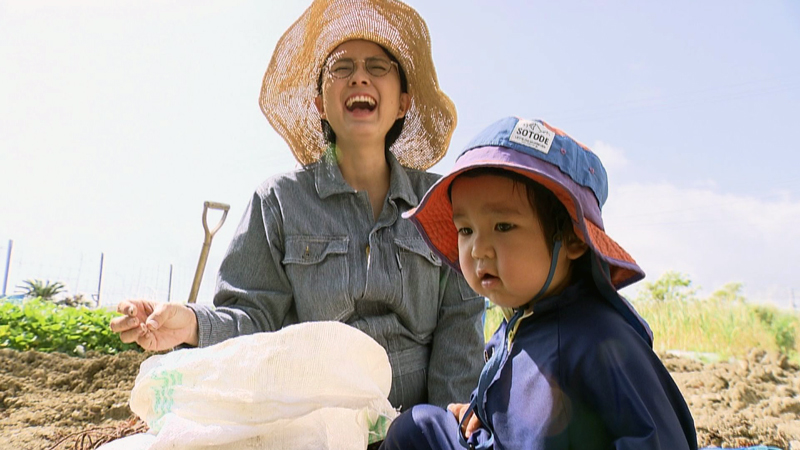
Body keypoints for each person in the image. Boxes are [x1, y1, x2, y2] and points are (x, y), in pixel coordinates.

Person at [109, 0, 485, 412]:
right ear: (321, 103)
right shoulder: (279, 202)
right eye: (341, 68)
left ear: (403, 103)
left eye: (378, 67)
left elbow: (459, 329)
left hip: (419, 420)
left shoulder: (443, 204)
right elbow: (254, 319)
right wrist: (191, 323)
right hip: (316, 419)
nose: (359, 76)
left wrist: (448, 429)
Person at [379, 116, 698, 449]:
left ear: (573, 240)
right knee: (415, 429)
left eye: (503, 227)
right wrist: (482, 412)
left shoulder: (601, 341)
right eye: (466, 230)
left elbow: (661, 438)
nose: (477, 249)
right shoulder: (522, 323)